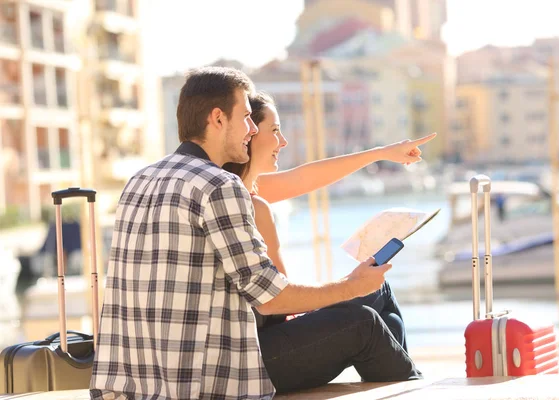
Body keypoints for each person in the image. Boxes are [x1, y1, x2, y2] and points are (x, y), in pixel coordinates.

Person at [89, 67, 407, 400]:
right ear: (217, 119)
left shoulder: (140, 180)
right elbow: (271, 299)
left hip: (134, 381)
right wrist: (350, 286)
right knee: (363, 323)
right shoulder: (219, 186)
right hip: (203, 380)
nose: (251, 129)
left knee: (378, 311)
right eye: (245, 117)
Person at [223, 91, 435, 392]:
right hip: (257, 354)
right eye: (275, 131)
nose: (282, 141)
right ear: (250, 136)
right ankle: (412, 387)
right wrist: (345, 288)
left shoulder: (247, 190)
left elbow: (305, 177)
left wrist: (381, 153)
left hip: (268, 331)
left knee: (380, 293)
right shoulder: (248, 203)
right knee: (364, 321)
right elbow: (278, 304)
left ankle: (401, 379)